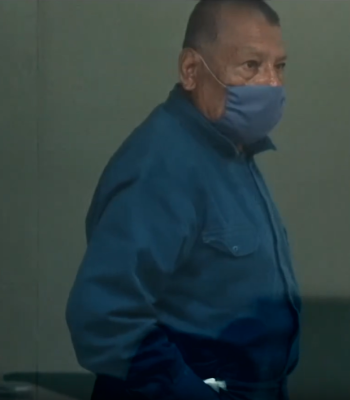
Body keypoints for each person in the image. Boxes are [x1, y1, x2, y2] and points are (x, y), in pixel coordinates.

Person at [65, 1, 300, 399]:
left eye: (279, 66)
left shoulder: (231, 152)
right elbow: (105, 318)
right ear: (191, 70)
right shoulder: (162, 165)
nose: (272, 84)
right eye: (251, 65)